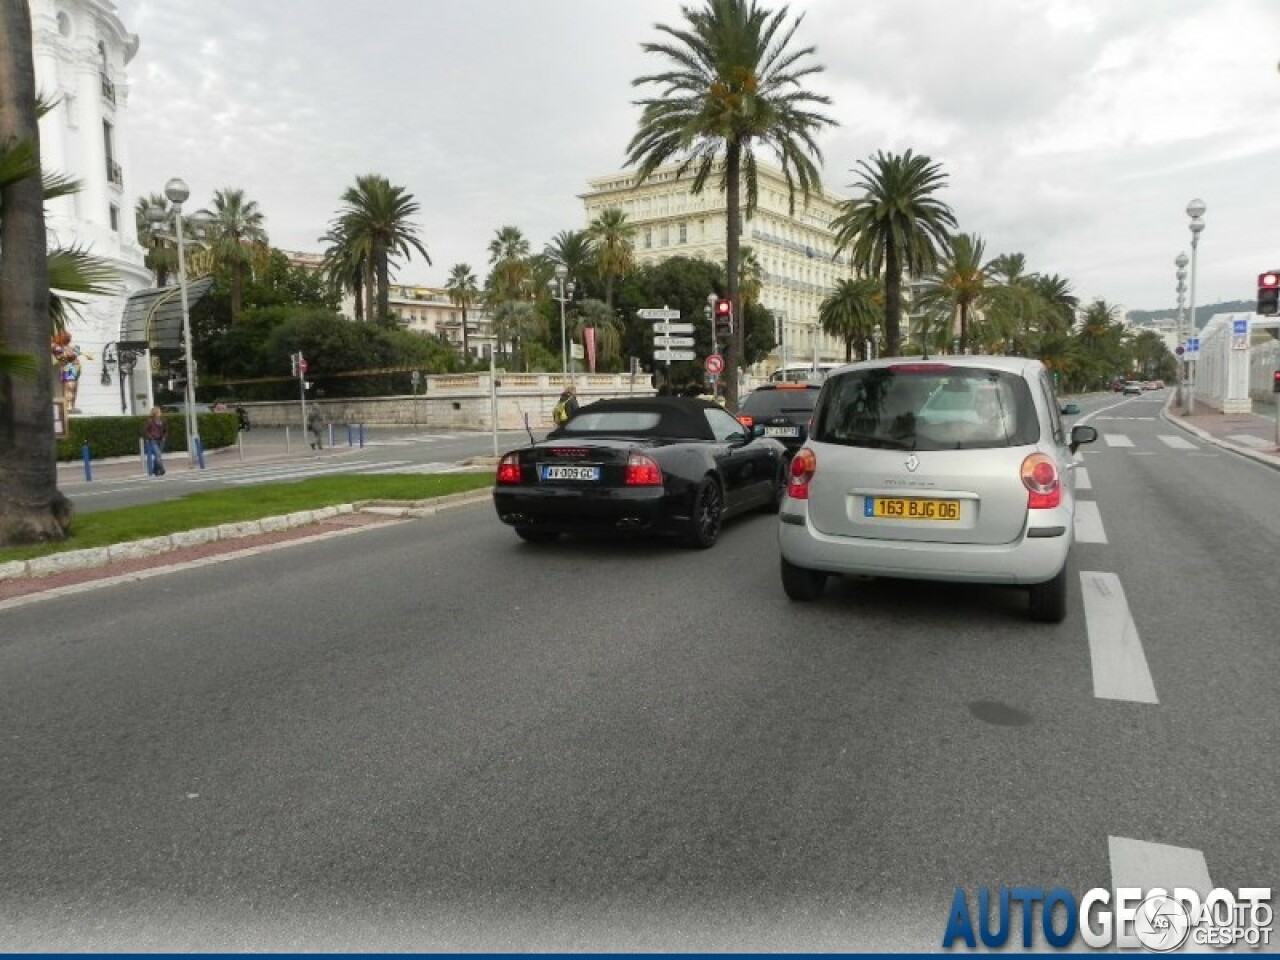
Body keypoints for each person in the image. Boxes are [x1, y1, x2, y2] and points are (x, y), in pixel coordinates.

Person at [142, 406, 168, 476]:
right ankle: (162, 468)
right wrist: (150, 437)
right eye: (159, 411)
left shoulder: (163, 421)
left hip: (161, 440)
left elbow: (165, 430)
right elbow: (145, 430)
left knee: (158, 456)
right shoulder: (150, 421)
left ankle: (155, 471)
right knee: (158, 454)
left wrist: (164, 437)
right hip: (153, 440)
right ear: (155, 413)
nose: (160, 412)